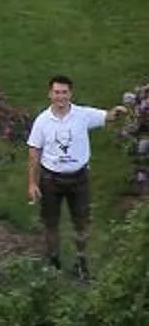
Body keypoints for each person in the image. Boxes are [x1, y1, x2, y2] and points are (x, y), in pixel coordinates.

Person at [28, 73, 105, 275]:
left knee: (82, 223)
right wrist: (32, 184)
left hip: (79, 179)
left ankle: (81, 262)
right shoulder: (42, 121)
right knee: (50, 223)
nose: (60, 96)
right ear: (49, 94)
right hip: (50, 180)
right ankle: (53, 261)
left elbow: (108, 116)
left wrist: (120, 111)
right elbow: (34, 153)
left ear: (71, 93)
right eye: (56, 92)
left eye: (64, 92)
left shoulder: (83, 115)